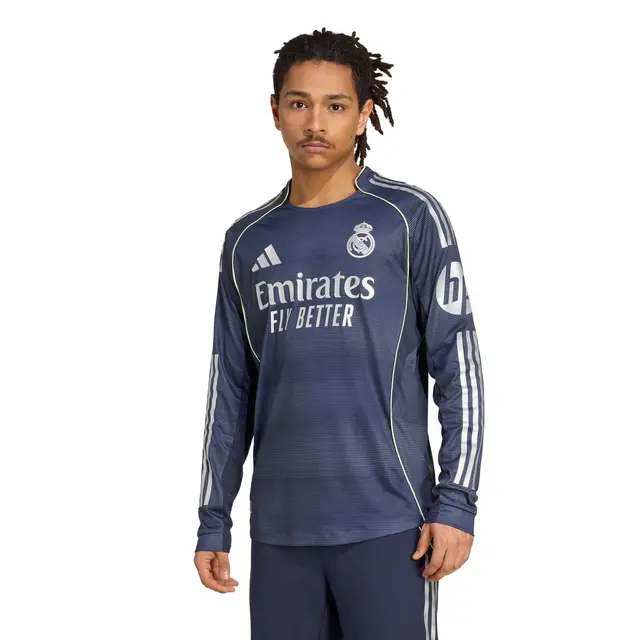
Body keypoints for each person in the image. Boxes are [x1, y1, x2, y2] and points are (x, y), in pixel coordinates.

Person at [193, 27, 485, 640]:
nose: (315, 123)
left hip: (390, 527)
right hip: (280, 535)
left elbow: (458, 367)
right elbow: (230, 391)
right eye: (299, 103)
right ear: (275, 111)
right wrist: (213, 518)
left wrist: (456, 502)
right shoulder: (246, 241)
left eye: (335, 105)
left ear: (363, 114)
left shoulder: (409, 217)